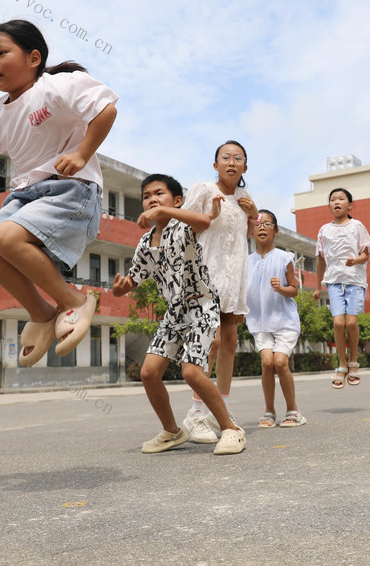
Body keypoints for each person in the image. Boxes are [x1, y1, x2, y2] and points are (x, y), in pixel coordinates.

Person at [0, 20, 117, 367]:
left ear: (33, 58)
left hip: (72, 191)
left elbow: (106, 109)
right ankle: (41, 312)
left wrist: (82, 154)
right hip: (26, 195)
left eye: (1, 53)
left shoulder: (57, 87)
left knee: (9, 238)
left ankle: (73, 300)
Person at [111, 174, 246, 454]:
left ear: (177, 201)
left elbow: (204, 222)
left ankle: (231, 430)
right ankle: (172, 432)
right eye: (147, 196)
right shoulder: (146, 243)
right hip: (174, 313)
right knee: (149, 373)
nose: (152, 199)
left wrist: (164, 212)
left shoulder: (183, 227)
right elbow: (135, 277)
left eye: (159, 193)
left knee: (192, 372)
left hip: (202, 306)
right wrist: (122, 288)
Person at [179, 141, 259, 443]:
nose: (231, 162)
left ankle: (219, 407)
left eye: (238, 158)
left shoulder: (245, 198)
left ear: (245, 168)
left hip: (234, 276)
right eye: (225, 157)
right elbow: (184, 226)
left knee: (229, 341)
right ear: (215, 165)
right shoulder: (203, 189)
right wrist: (210, 216)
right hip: (206, 274)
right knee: (209, 341)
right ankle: (196, 412)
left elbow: (244, 237)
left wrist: (252, 216)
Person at [248, 210, 306, 429]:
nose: (262, 227)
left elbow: (294, 290)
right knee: (266, 363)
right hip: (259, 323)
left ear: (276, 230)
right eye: (257, 224)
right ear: (251, 231)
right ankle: (269, 411)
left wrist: (281, 289)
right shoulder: (247, 262)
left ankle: (293, 411)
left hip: (285, 322)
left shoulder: (284, 258)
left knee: (280, 362)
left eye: (267, 223)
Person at [312, 188, 370, 389]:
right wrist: (317, 287)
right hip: (333, 282)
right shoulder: (324, 230)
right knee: (338, 324)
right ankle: (341, 364)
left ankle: (354, 361)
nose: (336, 202)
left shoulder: (357, 226)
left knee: (350, 323)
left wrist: (356, 260)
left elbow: (366, 254)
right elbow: (320, 260)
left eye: (341, 199)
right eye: (332, 199)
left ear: (350, 205)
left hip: (355, 281)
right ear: (329, 205)